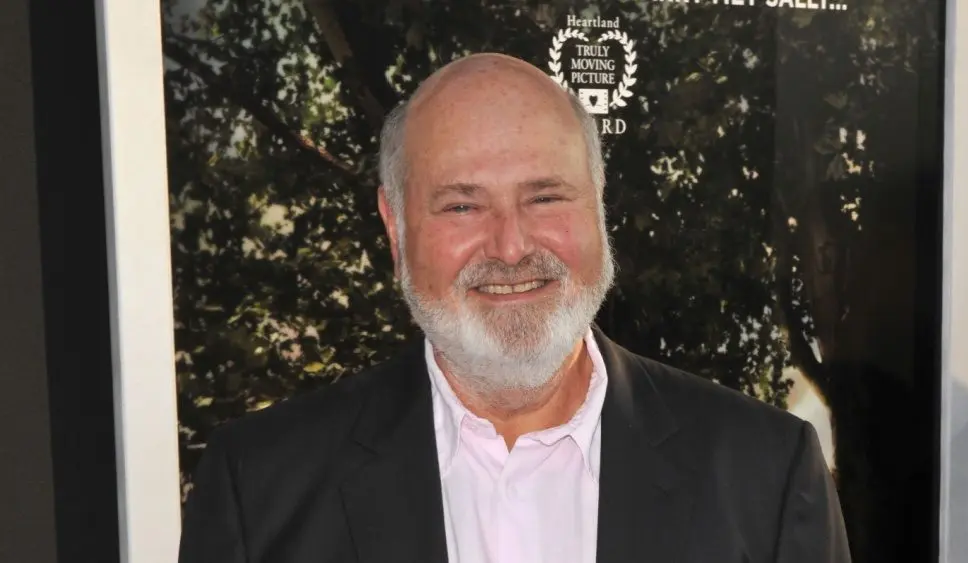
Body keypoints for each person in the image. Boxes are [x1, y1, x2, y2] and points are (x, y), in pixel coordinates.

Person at [177, 53, 851, 563]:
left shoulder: (766, 475)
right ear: (395, 226)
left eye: (546, 196)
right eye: (463, 204)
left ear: (598, 204)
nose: (511, 244)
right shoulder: (260, 490)